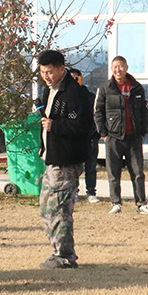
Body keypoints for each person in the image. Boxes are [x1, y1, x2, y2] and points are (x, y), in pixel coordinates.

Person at [37, 51, 95, 269]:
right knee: (46, 208)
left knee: (60, 209)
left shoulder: (74, 93)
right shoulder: (48, 91)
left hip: (66, 161)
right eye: (43, 72)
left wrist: (55, 126)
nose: (46, 76)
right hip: (50, 158)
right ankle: (57, 251)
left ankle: (65, 255)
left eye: (50, 72)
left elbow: (82, 125)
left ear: (62, 69)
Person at [94, 56, 148, 215]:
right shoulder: (105, 88)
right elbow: (97, 113)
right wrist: (104, 134)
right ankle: (116, 203)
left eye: (121, 66)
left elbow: (144, 111)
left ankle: (141, 204)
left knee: (137, 172)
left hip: (133, 137)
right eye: (115, 67)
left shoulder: (137, 87)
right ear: (111, 69)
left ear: (126, 67)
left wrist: (142, 131)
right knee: (113, 173)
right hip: (113, 138)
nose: (118, 70)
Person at [68, 67, 100, 203]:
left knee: (91, 166)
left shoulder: (89, 96)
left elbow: (97, 115)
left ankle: (91, 192)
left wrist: (95, 133)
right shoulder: (65, 97)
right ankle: (74, 192)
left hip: (90, 137)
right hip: (74, 138)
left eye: (76, 78)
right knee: (74, 167)